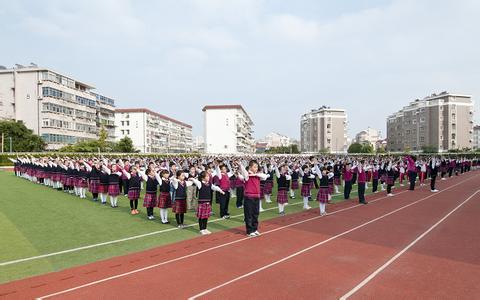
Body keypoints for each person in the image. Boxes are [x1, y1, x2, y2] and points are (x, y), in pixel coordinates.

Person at [239, 160, 269, 237]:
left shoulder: (258, 175)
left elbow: (265, 177)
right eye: (254, 167)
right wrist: (240, 165)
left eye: (257, 167)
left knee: (256, 214)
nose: (256, 168)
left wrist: (257, 174)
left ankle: (255, 229)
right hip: (249, 197)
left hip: (256, 197)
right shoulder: (247, 175)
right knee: (249, 214)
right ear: (250, 167)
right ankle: (249, 231)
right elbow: (244, 172)